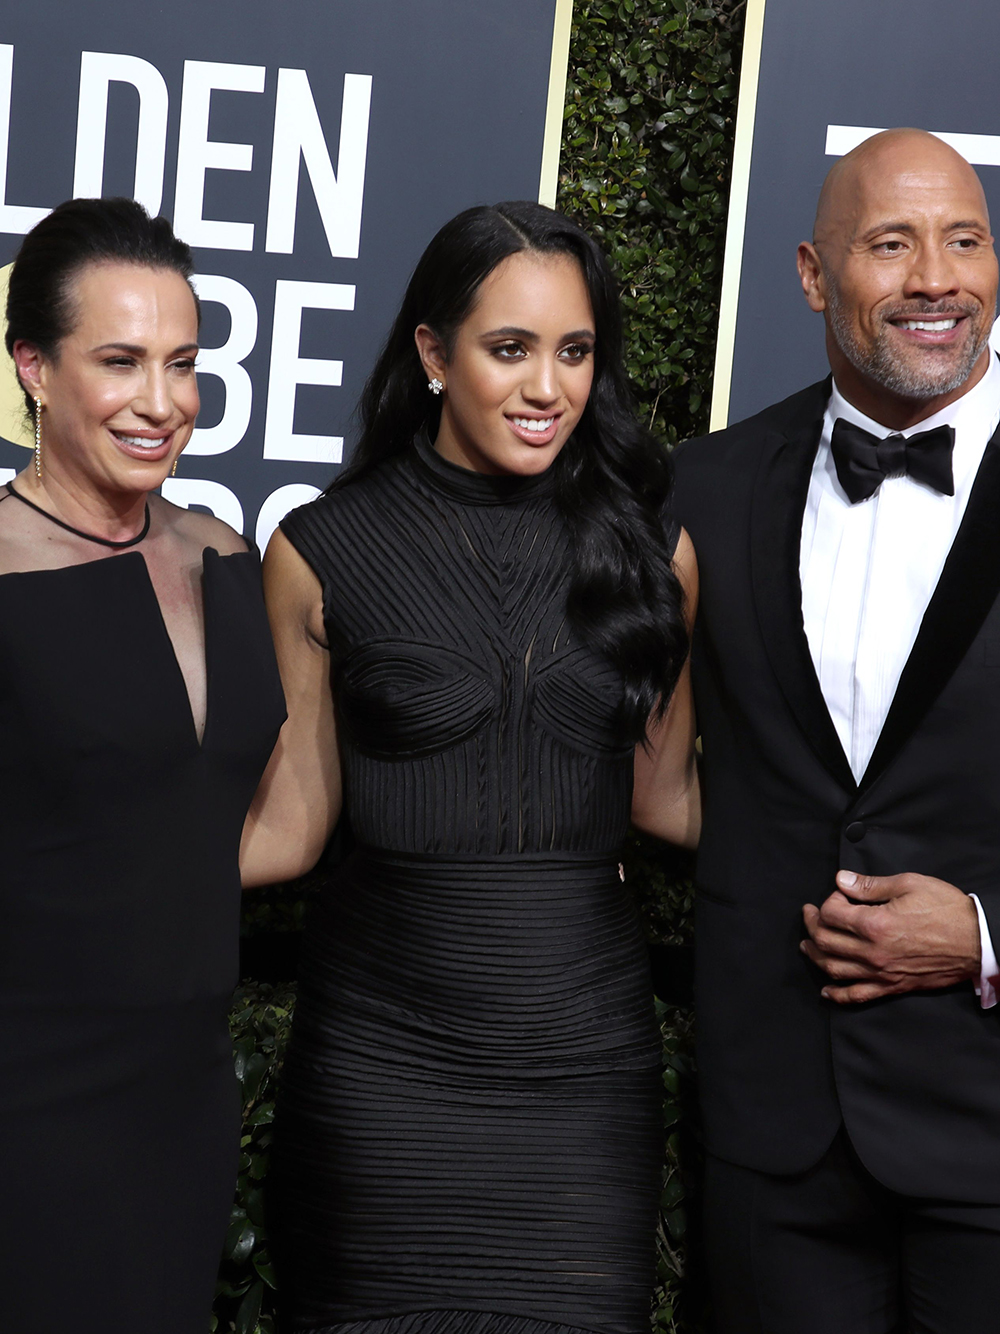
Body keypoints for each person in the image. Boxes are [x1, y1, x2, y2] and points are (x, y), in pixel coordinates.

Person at [240, 200, 699, 1334]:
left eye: (575, 350)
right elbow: (292, 826)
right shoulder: (317, 549)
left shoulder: (653, 551)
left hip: (580, 1070)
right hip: (379, 1061)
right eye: (510, 348)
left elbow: (667, 796)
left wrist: (902, 853)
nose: (548, 386)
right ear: (434, 352)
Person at [671, 128, 1000, 1333]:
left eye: (964, 239)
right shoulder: (706, 484)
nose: (934, 278)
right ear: (813, 275)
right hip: (777, 1137)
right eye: (891, 242)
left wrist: (978, 932)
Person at [0, 197, 285, 1333]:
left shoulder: (221, 551)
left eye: (183, 362)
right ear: (33, 366)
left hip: (181, 1096)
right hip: (26, 1090)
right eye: (121, 361)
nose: (162, 402)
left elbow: (221, 810)